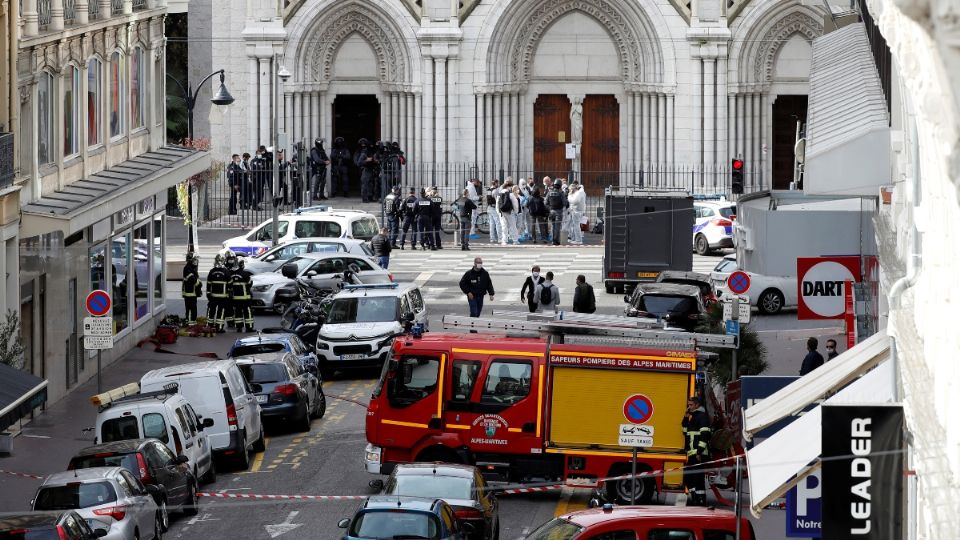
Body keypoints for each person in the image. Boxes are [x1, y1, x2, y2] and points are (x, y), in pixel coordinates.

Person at [681, 396, 712, 506]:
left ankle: (701, 500)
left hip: (699, 454)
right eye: (688, 405)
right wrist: (685, 418)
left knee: (698, 478)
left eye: (691, 405)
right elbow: (685, 432)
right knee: (689, 477)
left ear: (697, 405)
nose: (688, 407)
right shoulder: (692, 417)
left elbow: (705, 435)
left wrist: (699, 452)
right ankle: (694, 498)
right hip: (692, 453)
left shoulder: (702, 417)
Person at [206, 254, 231, 332]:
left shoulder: (212, 271)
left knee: (211, 311)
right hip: (223, 297)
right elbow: (230, 284)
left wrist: (208, 294)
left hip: (213, 297)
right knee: (221, 312)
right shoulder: (226, 271)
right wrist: (229, 294)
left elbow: (208, 284)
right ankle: (219, 327)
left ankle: (209, 326)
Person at [230, 258, 255, 332]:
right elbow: (250, 283)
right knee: (248, 312)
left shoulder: (230, 273)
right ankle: (249, 327)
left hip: (235, 298)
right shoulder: (244, 273)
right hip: (245, 298)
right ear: (241, 265)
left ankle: (239, 327)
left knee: (238, 312)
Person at [181, 252, 202, 325]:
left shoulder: (192, 268)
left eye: (196, 260)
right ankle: (190, 322)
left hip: (192, 292)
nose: (196, 261)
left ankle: (192, 321)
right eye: (195, 260)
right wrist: (200, 283)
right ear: (190, 260)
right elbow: (193, 280)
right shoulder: (188, 268)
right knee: (190, 307)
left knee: (193, 308)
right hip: (189, 293)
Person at [546, 179, 569, 245]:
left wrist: (550, 208)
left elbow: (545, 203)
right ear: (560, 185)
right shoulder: (561, 193)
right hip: (559, 212)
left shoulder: (549, 192)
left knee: (553, 226)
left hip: (551, 211)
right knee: (557, 227)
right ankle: (556, 241)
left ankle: (553, 240)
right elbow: (565, 203)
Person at [357, 139, 379, 203]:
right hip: (366, 170)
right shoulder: (364, 152)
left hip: (371, 170)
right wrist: (366, 160)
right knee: (365, 185)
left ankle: (370, 197)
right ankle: (364, 198)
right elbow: (359, 163)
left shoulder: (371, 152)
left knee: (371, 185)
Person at [498, 178, 518, 246]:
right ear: (508, 186)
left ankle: (504, 241)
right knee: (513, 226)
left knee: (504, 227)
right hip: (510, 212)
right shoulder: (510, 194)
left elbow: (497, 205)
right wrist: (516, 212)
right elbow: (515, 204)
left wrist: (499, 212)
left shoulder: (499, 194)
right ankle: (515, 240)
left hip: (502, 213)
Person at [486, 180, 502, 244]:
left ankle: (492, 238)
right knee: (498, 223)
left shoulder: (488, 190)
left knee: (492, 224)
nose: (498, 184)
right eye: (497, 183)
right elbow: (496, 200)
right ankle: (500, 238)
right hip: (494, 208)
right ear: (495, 183)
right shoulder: (495, 191)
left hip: (489, 207)